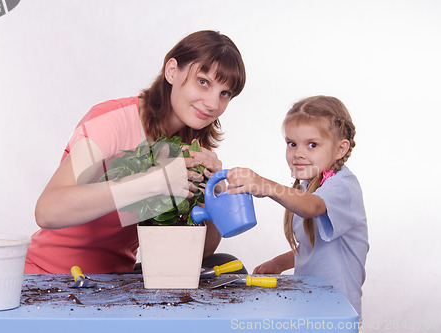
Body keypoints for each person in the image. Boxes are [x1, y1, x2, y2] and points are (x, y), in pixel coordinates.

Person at [25, 30, 247, 275]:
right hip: (50, 277)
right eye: (203, 82)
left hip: (116, 284)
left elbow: (200, 252)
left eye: (225, 93)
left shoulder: (191, 147)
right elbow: (47, 211)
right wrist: (155, 182)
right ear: (172, 71)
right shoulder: (113, 120)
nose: (213, 104)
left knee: (226, 265)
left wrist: (216, 193)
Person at [226, 96, 369, 318]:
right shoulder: (307, 187)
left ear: (340, 149)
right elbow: (316, 247)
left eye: (312, 144)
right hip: (309, 306)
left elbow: (311, 207)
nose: (298, 153)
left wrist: (267, 186)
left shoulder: (343, 186)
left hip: (336, 313)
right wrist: (280, 263)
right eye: (292, 143)